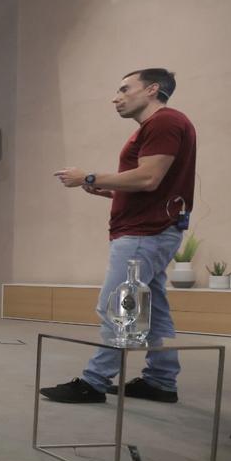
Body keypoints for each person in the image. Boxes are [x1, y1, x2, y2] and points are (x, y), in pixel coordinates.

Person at [42, 68, 196, 405]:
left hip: (144, 234)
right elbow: (151, 187)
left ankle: (94, 382)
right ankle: (161, 381)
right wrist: (107, 190)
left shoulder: (164, 122)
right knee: (152, 311)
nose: (117, 96)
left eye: (125, 89)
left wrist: (91, 175)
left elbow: (148, 179)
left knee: (117, 307)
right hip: (150, 229)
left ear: (153, 89)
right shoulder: (160, 126)